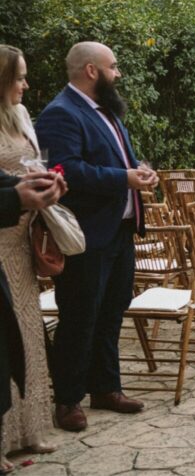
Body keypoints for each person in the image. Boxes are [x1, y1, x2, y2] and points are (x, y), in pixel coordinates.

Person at [35, 42, 158, 432]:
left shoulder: (106, 111)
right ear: (91, 70)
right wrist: (124, 178)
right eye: (113, 67)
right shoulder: (60, 114)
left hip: (119, 231)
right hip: (85, 235)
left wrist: (142, 170)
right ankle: (68, 399)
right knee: (80, 316)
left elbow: (123, 160)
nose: (117, 73)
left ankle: (106, 388)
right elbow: (64, 170)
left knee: (111, 311)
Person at [0, 46, 68, 460]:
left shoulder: (21, 117)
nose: (26, 84)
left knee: (28, 331)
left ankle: (30, 428)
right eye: (19, 77)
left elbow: (35, 161)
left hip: (24, 237)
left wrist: (48, 181)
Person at [1, 166, 64, 474]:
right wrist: (14, 197)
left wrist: (37, 184)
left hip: (20, 242)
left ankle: (29, 430)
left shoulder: (21, 119)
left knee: (21, 341)